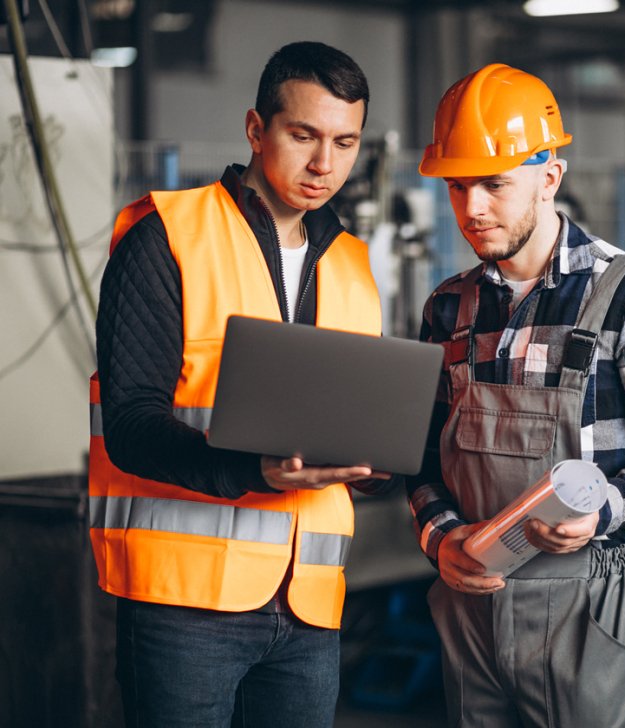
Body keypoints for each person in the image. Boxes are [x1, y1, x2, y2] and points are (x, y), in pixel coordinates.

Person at [89, 41, 392, 728]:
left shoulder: (352, 263)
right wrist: (252, 470)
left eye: (345, 142)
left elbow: (353, 416)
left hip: (310, 604)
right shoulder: (167, 237)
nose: (325, 164)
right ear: (257, 130)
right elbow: (131, 423)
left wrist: (376, 465)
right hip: (185, 606)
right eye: (303, 135)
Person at [406, 63, 625, 727]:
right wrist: (442, 538)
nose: (472, 208)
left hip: (593, 608)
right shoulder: (448, 308)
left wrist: (607, 506)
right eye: (457, 186)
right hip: (472, 611)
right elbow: (422, 461)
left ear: (550, 178)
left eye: (493, 184)